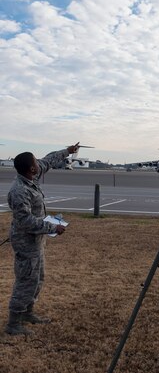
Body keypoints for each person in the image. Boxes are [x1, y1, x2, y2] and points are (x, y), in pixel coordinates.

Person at [5, 143, 79, 335]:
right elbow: (26, 222)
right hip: (25, 242)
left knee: (37, 278)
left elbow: (49, 160)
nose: (39, 163)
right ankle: (13, 323)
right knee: (26, 280)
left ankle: (27, 312)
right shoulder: (19, 191)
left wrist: (67, 151)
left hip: (36, 242)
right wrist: (53, 227)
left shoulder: (31, 177)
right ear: (31, 168)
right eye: (35, 162)